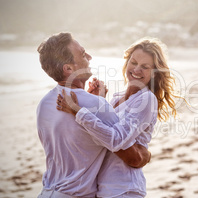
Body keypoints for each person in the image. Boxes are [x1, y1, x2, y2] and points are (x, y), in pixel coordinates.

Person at [57, 37, 182, 197]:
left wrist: (78, 111)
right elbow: (102, 135)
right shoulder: (116, 97)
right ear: (126, 61)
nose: (137, 70)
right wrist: (98, 101)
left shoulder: (146, 99)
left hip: (124, 188)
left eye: (145, 67)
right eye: (134, 62)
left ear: (154, 73)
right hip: (103, 187)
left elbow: (116, 140)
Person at [36, 32, 151, 198]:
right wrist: (147, 155)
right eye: (83, 54)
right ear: (69, 68)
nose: (89, 57)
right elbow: (132, 158)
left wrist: (95, 101)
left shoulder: (44, 103)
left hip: (47, 192)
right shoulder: (95, 105)